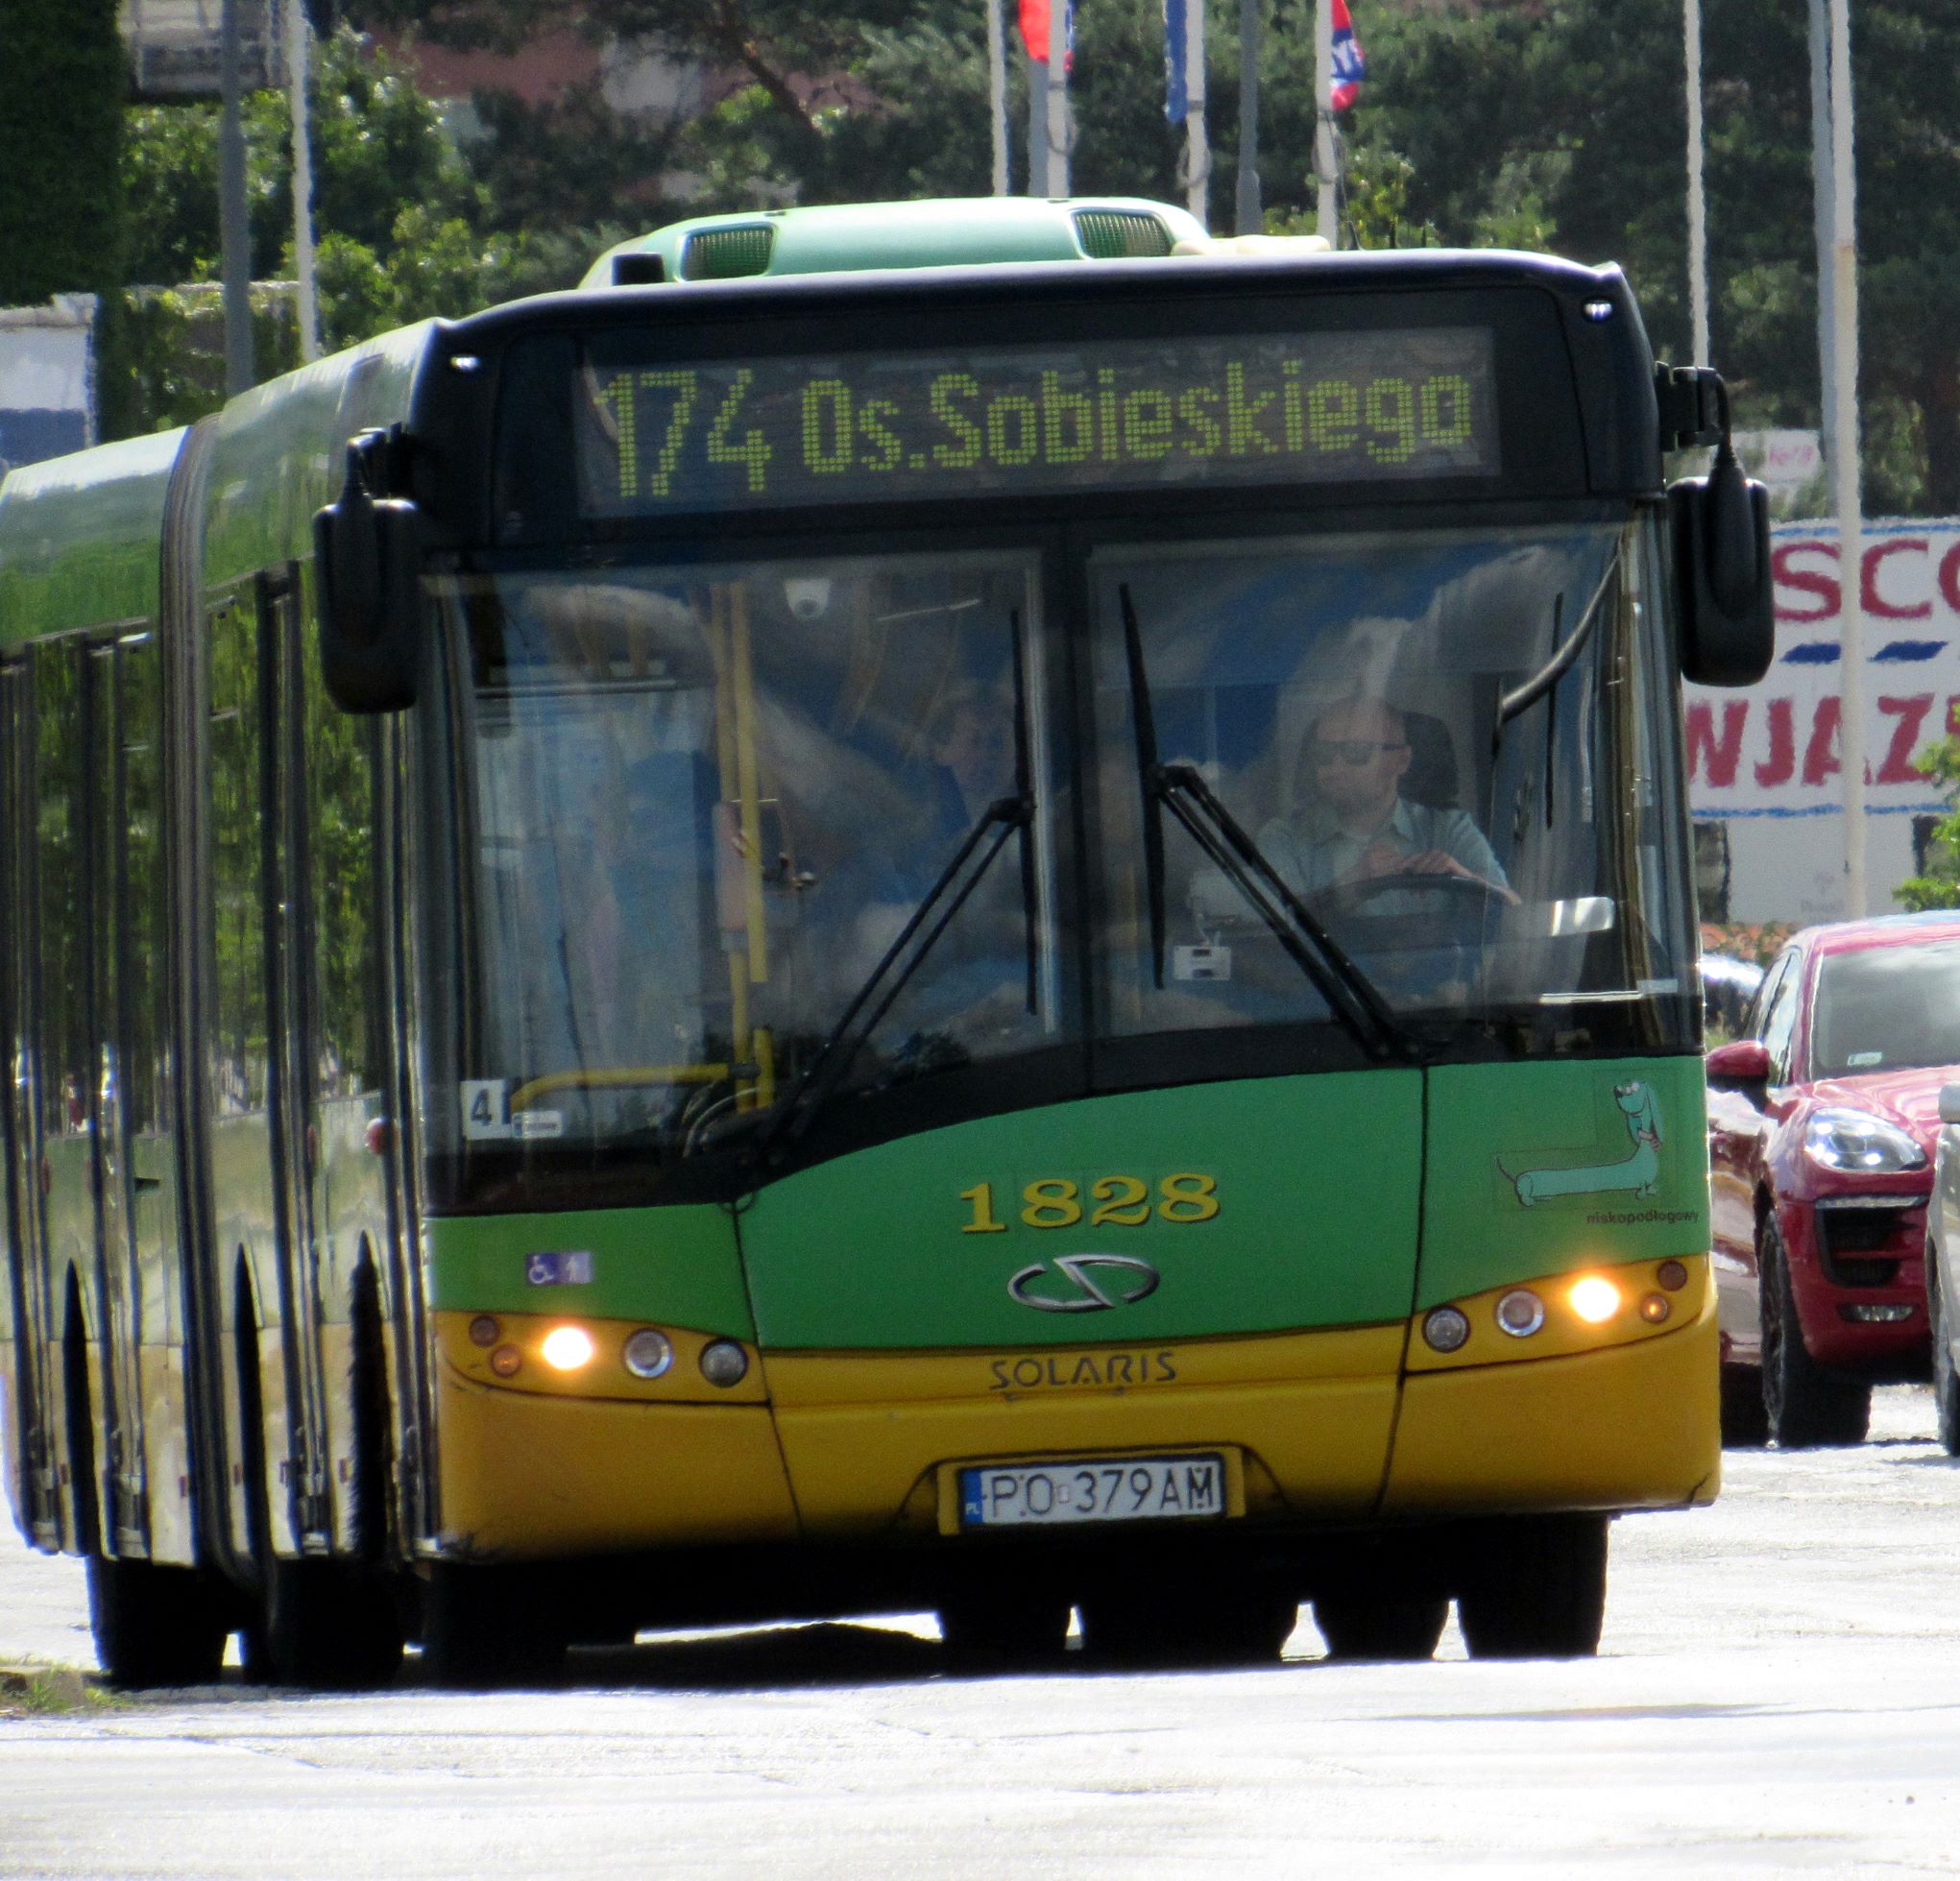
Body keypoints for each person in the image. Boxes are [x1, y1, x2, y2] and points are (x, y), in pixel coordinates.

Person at [1258, 696, 1512, 907]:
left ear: (1401, 761)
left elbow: (1515, 911)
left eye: (1356, 752)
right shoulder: (1282, 838)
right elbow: (1271, 932)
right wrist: (1350, 886)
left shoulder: (1449, 829)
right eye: (1323, 754)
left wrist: (1464, 878)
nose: (1335, 767)